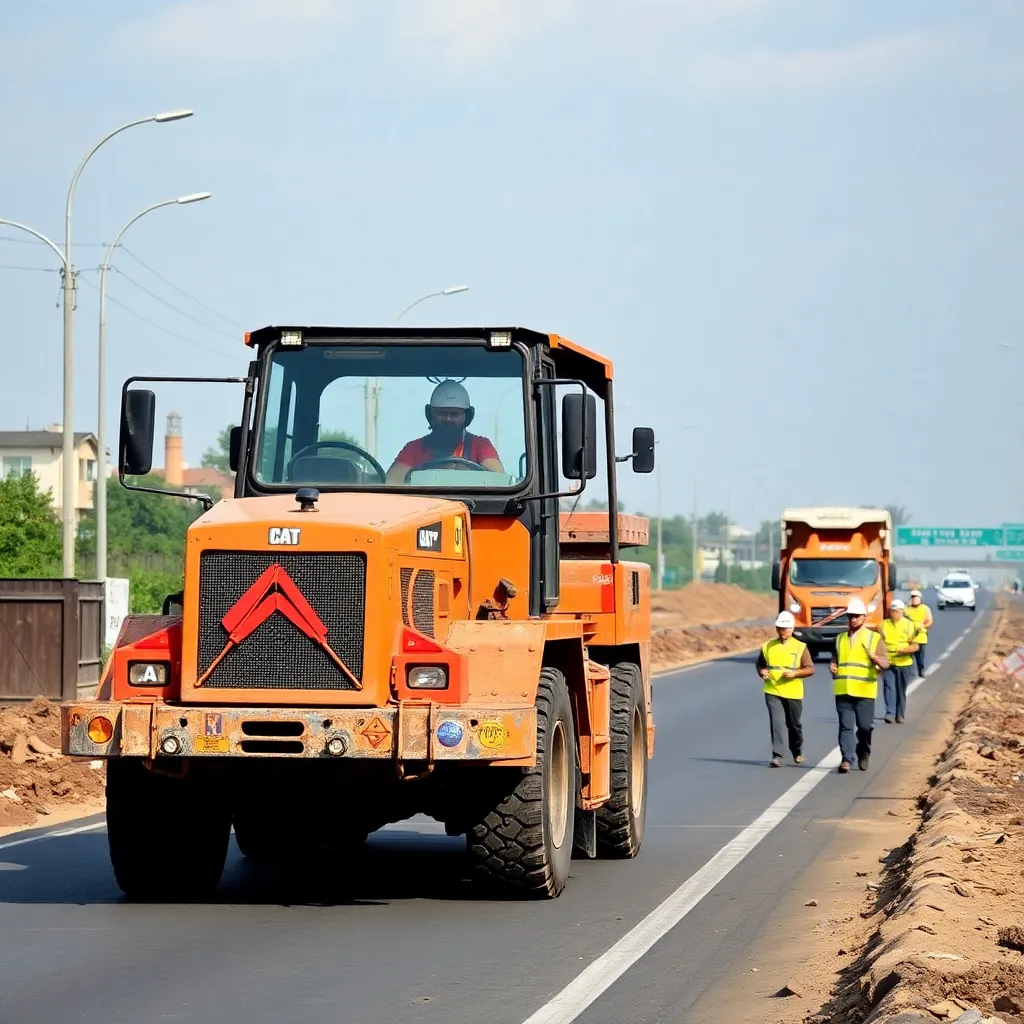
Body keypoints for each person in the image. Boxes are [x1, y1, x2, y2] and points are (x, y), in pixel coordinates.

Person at [386, 380, 505, 484]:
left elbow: (499, 479)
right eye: (442, 413)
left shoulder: (481, 446)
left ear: (466, 417)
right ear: (430, 415)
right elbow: (391, 482)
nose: (448, 419)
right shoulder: (415, 448)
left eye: (454, 414)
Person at [830, 597, 889, 773]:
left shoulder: (874, 638)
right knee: (846, 727)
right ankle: (847, 759)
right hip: (843, 691)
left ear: (864, 617)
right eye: (850, 616)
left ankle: (863, 751)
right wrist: (833, 665)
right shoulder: (839, 639)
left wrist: (876, 659)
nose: (853, 619)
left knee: (865, 727)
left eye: (856, 616)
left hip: (864, 691)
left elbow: (886, 663)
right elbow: (835, 657)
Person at [755, 611, 815, 767]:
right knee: (777, 723)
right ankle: (778, 755)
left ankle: (797, 749)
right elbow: (760, 664)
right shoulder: (767, 646)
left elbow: (810, 669)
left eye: (786, 628)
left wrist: (795, 673)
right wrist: (762, 671)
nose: (783, 631)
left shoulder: (801, 647)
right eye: (781, 628)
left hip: (793, 691)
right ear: (776, 628)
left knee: (794, 724)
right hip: (772, 690)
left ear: (792, 629)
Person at [880, 599, 921, 724]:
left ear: (902, 612)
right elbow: (879, 643)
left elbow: (915, 645)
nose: (895, 614)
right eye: (893, 611)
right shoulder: (883, 625)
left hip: (904, 663)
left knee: (900, 689)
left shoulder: (909, 625)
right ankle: (890, 713)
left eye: (897, 611)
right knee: (889, 687)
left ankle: (900, 714)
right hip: (888, 662)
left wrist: (904, 650)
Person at [905, 589, 933, 678]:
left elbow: (930, 621)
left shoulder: (925, 608)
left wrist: (923, 626)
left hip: (921, 636)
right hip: (909, 637)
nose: (914, 599)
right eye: (912, 597)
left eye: (916, 597)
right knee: (908, 656)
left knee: (920, 657)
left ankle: (921, 670)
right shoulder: (906, 609)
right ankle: (909, 672)